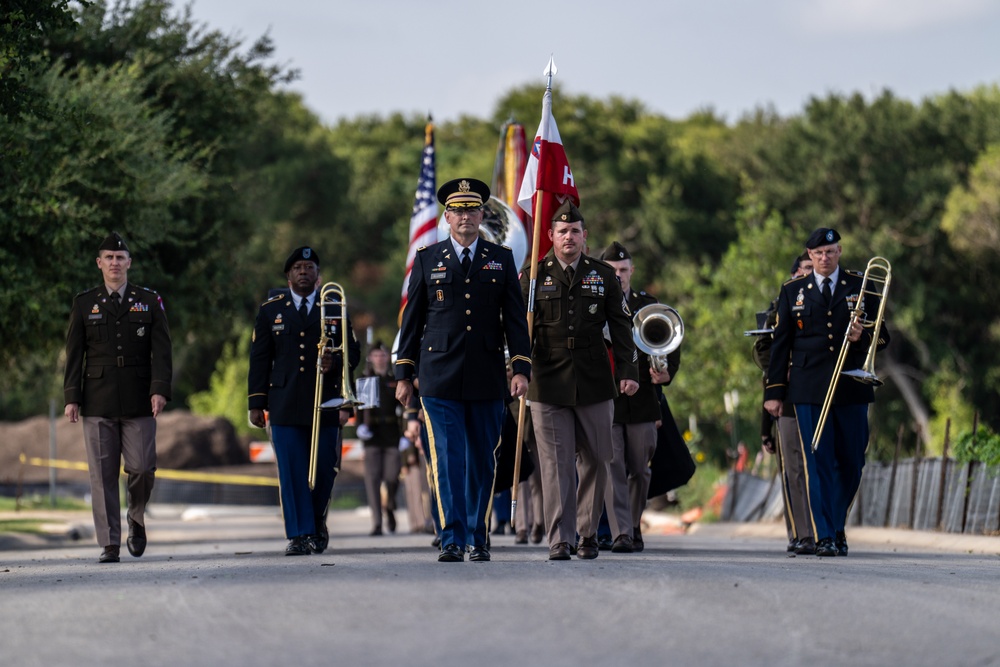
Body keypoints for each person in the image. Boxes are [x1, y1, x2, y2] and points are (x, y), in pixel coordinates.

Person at [395, 177, 531, 563]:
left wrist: (520, 367)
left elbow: (515, 322)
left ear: (481, 214)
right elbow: (412, 321)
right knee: (447, 458)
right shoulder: (427, 258)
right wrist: (403, 374)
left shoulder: (500, 259)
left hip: (487, 375)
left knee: (482, 460)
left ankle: (478, 533)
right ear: (448, 217)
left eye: (473, 210)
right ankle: (452, 536)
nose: (466, 217)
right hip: (438, 375)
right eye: (459, 211)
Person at [523, 202, 639, 561]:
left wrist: (628, 371)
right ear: (551, 236)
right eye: (562, 231)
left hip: (593, 378)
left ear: (584, 237)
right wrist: (517, 369)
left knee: (599, 458)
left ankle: (587, 533)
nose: (568, 237)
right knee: (555, 464)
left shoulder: (602, 275)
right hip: (546, 378)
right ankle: (560, 537)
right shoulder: (532, 276)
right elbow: (518, 327)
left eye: (575, 231)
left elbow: (621, 326)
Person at [764, 228, 890, 557]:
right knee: (817, 461)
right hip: (808, 389)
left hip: (850, 385)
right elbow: (780, 346)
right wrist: (774, 392)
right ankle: (825, 535)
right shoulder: (794, 291)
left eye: (831, 251)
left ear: (840, 251)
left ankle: (835, 524)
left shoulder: (859, 285)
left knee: (851, 462)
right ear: (809, 254)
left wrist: (862, 336)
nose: (824, 258)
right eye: (818, 253)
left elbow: (883, 338)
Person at [63, 232, 172, 564]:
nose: (114, 263)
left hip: (140, 397)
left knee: (141, 468)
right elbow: (74, 353)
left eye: (120, 258)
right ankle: (109, 542)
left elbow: (162, 350)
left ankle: (136, 518)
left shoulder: (149, 301)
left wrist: (160, 389)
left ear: (129, 263)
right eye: (108, 257)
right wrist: (72, 397)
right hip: (97, 398)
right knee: (102, 473)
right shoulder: (85, 303)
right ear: (99, 263)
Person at [248, 246, 360, 555]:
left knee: (325, 467)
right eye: (297, 267)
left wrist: (334, 364)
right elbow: (260, 358)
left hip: (325, 400)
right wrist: (256, 403)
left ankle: (316, 520)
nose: (303, 271)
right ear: (288, 275)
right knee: (292, 470)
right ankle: (299, 534)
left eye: (309, 267)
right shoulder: (271, 309)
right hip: (284, 401)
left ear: (318, 275)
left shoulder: (334, 306)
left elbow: (352, 353)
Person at [599, 241, 679, 553]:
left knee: (641, 469)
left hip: (645, 400)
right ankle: (622, 533)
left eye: (622, 269)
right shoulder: (596, 302)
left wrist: (667, 372)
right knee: (613, 465)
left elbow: (670, 342)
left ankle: (633, 523)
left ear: (631, 270)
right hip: (608, 398)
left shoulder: (648, 305)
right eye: (612, 270)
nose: (618, 275)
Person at [755, 252, 816, 554]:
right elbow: (765, 356)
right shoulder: (781, 305)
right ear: (794, 274)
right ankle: (802, 532)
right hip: (788, 394)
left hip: (818, 390)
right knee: (792, 468)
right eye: (805, 268)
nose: (810, 273)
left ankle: (824, 530)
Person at [356, 341, 402, 536]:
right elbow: (360, 406)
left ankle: (389, 504)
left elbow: (405, 407)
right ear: (371, 358)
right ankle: (377, 522)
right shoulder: (366, 378)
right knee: (372, 479)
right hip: (372, 434)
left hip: (391, 432)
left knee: (392, 476)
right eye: (375, 355)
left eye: (382, 355)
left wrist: (405, 433)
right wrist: (360, 427)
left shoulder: (395, 379)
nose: (379, 359)